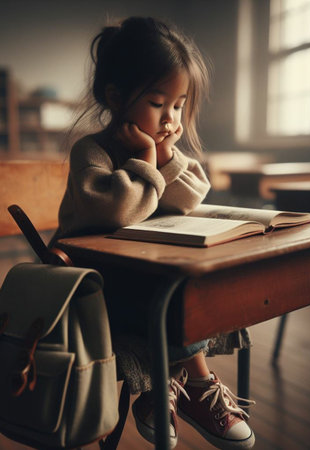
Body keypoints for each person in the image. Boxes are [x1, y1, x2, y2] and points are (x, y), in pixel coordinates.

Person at [52, 16, 255, 450]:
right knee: (171, 298)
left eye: (179, 106)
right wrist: (147, 158)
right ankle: (185, 388)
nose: (171, 118)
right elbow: (116, 211)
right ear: (116, 97)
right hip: (93, 287)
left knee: (193, 287)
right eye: (159, 103)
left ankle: (167, 392)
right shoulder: (92, 151)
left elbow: (189, 198)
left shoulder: (162, 148)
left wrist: (165, 157)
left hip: (143, 275)